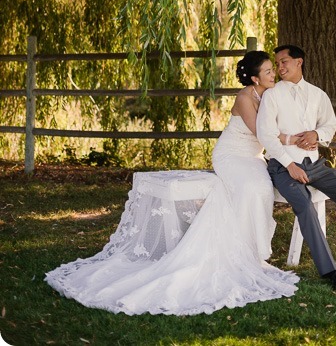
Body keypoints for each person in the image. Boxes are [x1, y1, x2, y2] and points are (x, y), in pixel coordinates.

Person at [45, 50, 300, 315]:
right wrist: (293, 140)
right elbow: (261, 132)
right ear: (254, 77)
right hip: (232, 156)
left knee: (258, 189)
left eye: (273, 69)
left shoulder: (270, 93)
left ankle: (252, 252)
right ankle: (247, 253)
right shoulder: (245, 96)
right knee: (252, 188)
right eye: (268, 71)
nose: (274, 74)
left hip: (254, 157)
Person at [256, 44, 336, 292]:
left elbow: (330, 125)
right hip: (283, 166)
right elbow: (266, 136)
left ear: (299, 62)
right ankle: (330, 270)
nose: (279, 67)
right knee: (305, 205)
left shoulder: (318, 94)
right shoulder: (272, 95)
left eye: (284, 61)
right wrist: (289, 165)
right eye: (277, 63)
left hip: (316, 165)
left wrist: (316, 133)